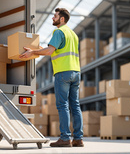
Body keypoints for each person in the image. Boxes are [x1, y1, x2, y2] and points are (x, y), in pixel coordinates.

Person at [19, 8, 83, 147]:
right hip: (76, 72)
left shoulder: (58, 32)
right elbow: (55, 50)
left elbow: (49, 51)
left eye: (55, 16)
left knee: (62, 105)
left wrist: (32, 53)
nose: (52, 18)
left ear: (62, 19)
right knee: (75, 105)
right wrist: (38, 50)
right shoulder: (73, 34)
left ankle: (65, 138)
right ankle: (78, 139)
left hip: (63, 72)